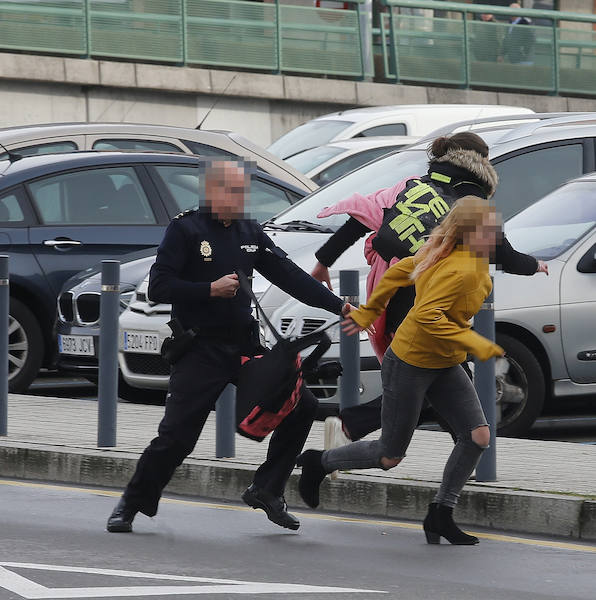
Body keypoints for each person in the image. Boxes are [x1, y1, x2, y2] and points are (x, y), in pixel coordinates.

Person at [106, 159, 352, 533]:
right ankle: (132, 502)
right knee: (177, 438)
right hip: (199, 350)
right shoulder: (186, 228)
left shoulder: (249, 230)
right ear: (212, 192)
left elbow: (289, 276)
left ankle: (267, 490)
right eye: (234, 191)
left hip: (244, 347)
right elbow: (159, 287)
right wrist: (209, 290)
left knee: (302, 407)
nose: (242, 198)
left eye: (244, 191)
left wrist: (340, 305)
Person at [308, 132, 546, 447]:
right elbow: (504, 255)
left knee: (439, 384)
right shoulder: (470, 203)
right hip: (428, 305)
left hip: (394, 294)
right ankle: (351, 428)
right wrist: (535, 265)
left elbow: (360, 218)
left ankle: (467, 450)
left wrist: (323, 261)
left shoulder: (413, 186)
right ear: (480, 164)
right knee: (437, 386)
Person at [297, 196, 505, 545]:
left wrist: (369, 311)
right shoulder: (456, 267)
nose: (496, 233)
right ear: (468, 233)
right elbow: (426, 315)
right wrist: (476, 342)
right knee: (389, 455)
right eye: (489, 229)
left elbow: (400, 269)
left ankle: (441, 513)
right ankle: (320, 462)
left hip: (445, 361)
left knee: (477, 436)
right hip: (410, 361)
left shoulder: (458, 258)